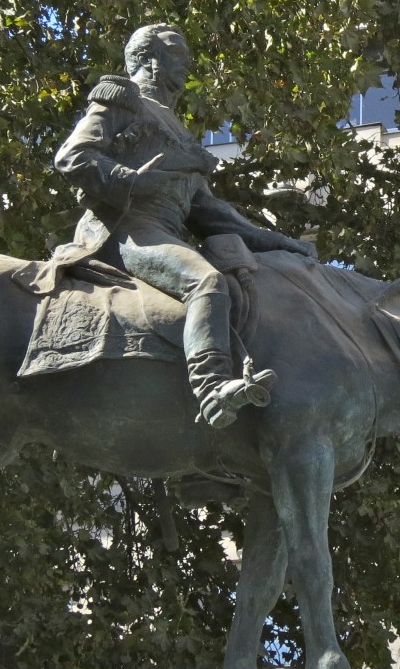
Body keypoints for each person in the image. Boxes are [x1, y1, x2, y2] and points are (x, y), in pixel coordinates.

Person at [53, 23, 316, 428]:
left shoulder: (181, 132)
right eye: (177, 53)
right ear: (149, 59)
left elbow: (210, 213)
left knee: (240, 287)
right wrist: (131, 180)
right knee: (205, 282)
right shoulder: (122, 101)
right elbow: (72, 157)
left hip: (163, 234)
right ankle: (212, 390)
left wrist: (282, 242)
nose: (187, 63)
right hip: (125, 229)